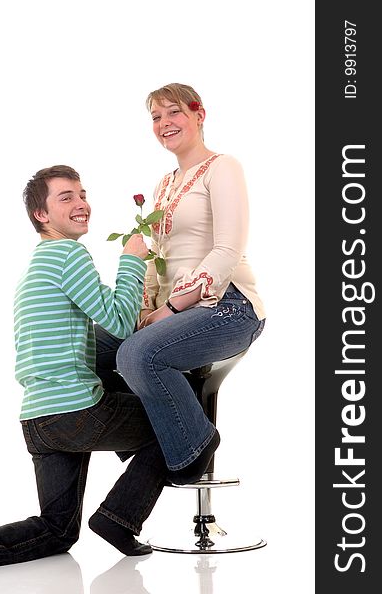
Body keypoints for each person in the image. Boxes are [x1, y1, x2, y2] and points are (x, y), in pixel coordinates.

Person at [0, 165, 168, 580]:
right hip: (75, 412)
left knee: (57, 530)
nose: (80, 203)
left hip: (39, 419)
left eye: (82, 193)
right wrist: (132, 261)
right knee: (177, 426)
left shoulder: (38, 266)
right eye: (66, 197)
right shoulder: (67, 254)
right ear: (41, 215)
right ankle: (119, 518)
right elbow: (117, 319)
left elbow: (94, 328)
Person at [95, 83, 266, 485]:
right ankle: (157, 437)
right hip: (171, 314)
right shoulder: (165, 185)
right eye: (156, 117)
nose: (164, 123)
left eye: (173, 112)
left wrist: (168, 311)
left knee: (137, 355)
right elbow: (158, 258)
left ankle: (193, 448)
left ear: (199, 114)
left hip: (227, 306)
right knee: (90, 349)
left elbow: (226, 250)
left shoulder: (224, 167)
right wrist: (140, 312)